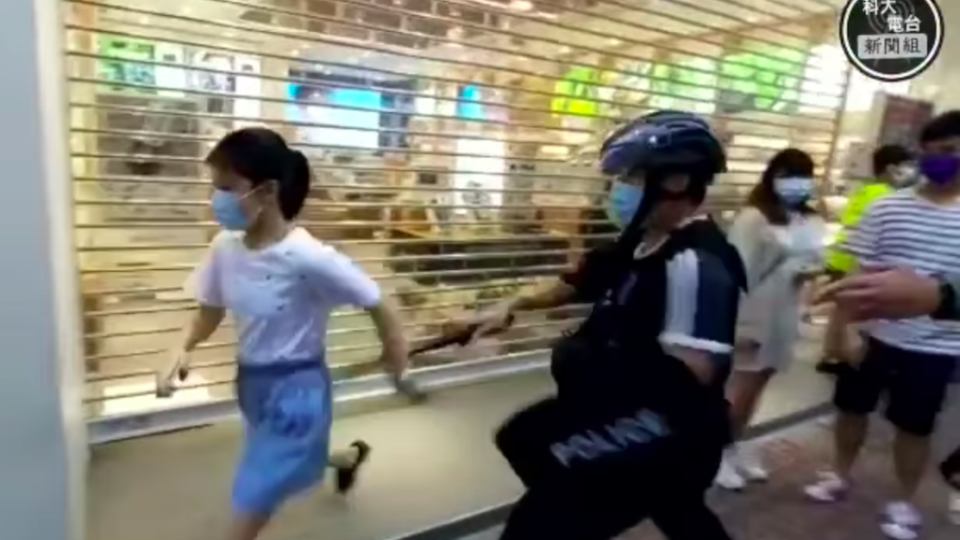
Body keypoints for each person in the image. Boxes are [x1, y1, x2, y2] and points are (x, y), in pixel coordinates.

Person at [452, 110, 746, 540]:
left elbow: (689, 378)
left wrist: (588, 360)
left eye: (631, 177)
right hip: (625, 413)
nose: (618, 189)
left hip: (665, 430)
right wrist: (510, 306)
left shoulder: (694, 264)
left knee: (541, 504)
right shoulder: (639, 242)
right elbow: (576, 282)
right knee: (676, 510)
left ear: (677, 181)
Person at [159, 127, 413, 540]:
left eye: (226, 188)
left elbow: (377, 300)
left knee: (254, 491)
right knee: (287, 458)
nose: (216, 201)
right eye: (214, 188)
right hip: (252, 383)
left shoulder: (307, 256)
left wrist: (394, 353)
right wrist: (180, 345)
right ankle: (346, 459)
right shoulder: (225, 247)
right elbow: (208, 311)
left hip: (299, 393)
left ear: (266, 191)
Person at [804, 111, 960, 540]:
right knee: (851, 409)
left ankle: (905, 500)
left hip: (938, 346)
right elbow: (857, 275)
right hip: (874, 335)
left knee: (914, 426)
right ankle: (839, 472)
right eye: (939, 151)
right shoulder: (886, 208)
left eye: (956, 151)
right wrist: (843, 329)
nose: (947, 160)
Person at [713, 148, 825, 491]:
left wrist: (811, 270)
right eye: (787, 175)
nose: (796, 184)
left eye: (803, 175)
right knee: (739, 389)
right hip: (751, 315)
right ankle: (717, 453)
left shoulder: (807, 219)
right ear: (772, 177)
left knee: (759, 385)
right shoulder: (753, 218)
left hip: (784, 314)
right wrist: (736, 325)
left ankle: (738, 443)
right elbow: (735, 273)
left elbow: (815, 258)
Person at [817, 144, 916, 375]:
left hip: (842, 256)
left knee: (842, 310)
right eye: (908, 166)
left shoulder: (867, 190)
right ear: (892, 169)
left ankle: (832, 354)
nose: (912, 172)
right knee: (848, 313)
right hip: (855, 259)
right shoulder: (887, 196)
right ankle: (837, 356)